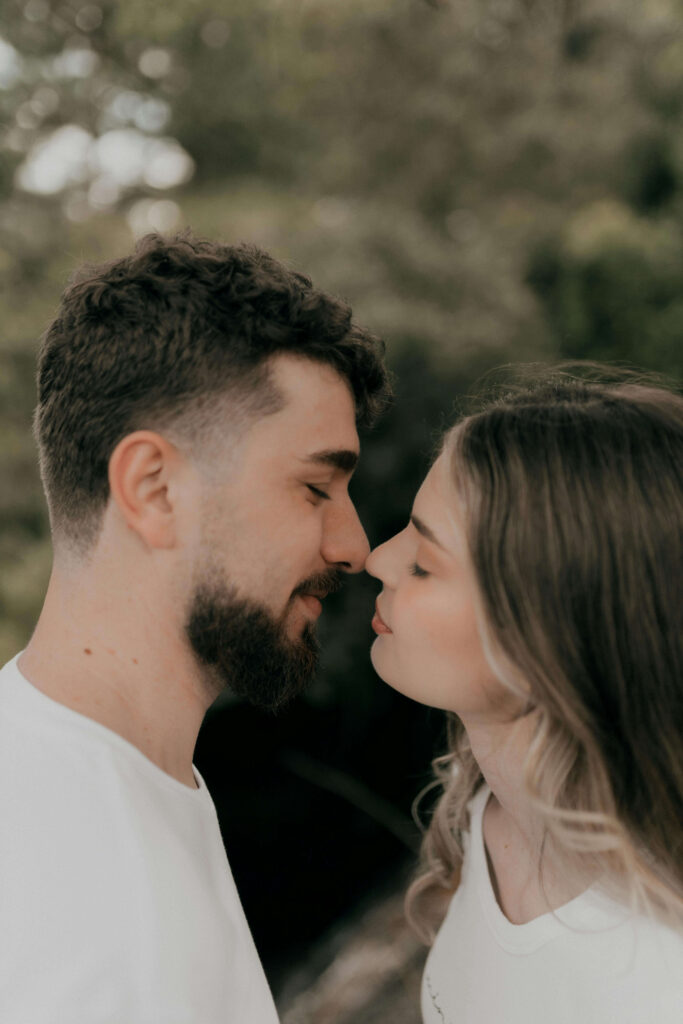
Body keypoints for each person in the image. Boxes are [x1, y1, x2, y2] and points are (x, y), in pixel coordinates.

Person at [0, 232, 389, 1022]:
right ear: (154, 488)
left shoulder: (123, 785)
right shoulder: (67, 895)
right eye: (316, 488)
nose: (354, 547)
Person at [366, 367, 683, 1023]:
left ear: (547, 638)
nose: (376, 560)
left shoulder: (654, 981)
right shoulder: (486, 810)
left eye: (424, 562)